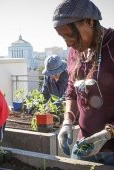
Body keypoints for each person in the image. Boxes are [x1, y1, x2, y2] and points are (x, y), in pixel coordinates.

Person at [54, 0, 114, 165]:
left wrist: (107, 133)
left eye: (70, 35)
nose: (67, 43)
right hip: (84, 146)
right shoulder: (75, 51)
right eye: (62, 36)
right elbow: (71, 91)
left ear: (90, 21)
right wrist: (67, 121)